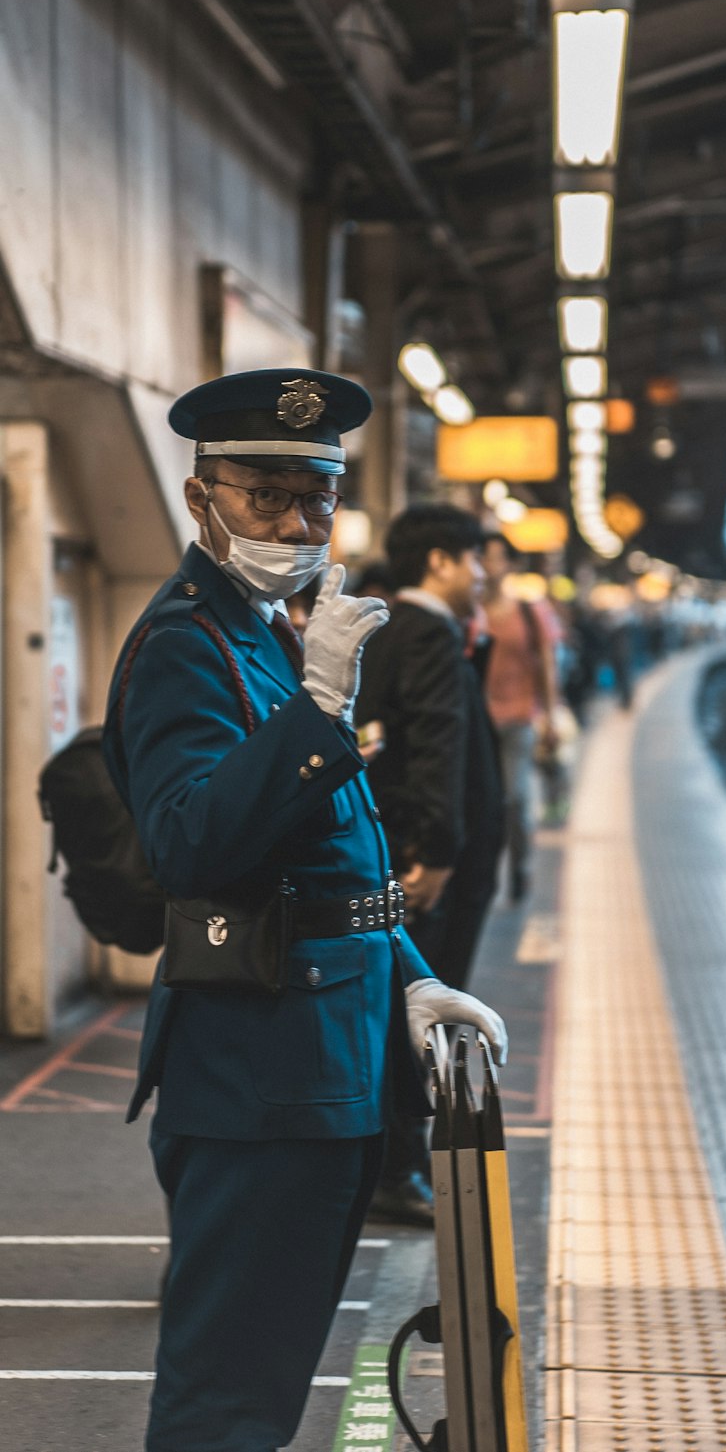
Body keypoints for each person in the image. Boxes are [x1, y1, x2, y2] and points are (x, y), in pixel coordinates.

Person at [102, 368, 507, 1452]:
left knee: (269, 1381)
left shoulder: (272, 629)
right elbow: (191, 842)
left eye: (316, 497)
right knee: (227, 1396)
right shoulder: (186, 643)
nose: (296, 520)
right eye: (264, 494)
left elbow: (332, 857)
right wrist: (321, 708)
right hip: (255, 1071)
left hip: (322, 1057)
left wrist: (411, 974)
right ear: (202, 500)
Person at [355, 503, 505, 1224]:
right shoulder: (428, 637)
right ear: (441, 560)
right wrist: (439, 852)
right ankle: (399, 1167)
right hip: (432, 870)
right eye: (475, 560)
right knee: (426, 1016)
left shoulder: (392, 631)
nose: (482, 575)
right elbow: (438, 747)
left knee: (401, 1014)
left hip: (401, 855)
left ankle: (393, 1160)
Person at [481, 533, 560, 901]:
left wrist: (551, 717)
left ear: (511, 565)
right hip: (480, 720)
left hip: (519, 717)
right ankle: (485, 872)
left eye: (497, 558)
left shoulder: (530, 611)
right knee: (484, 801)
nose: (488, 565)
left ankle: (521, 866)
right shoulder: (472, 610)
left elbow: (546, 665)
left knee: (515, 797)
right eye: (483, 557)